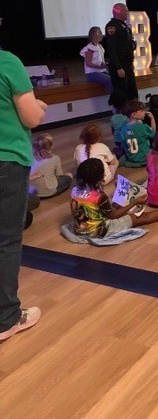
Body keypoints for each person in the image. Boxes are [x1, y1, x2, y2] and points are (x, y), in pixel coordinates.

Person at [0, 49, 47, 342]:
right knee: (6, 241)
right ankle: (6, 318)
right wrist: (39, 106)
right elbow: (30, 118)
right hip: (6, 162)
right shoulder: (6, 61)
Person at [70, 158, 158, 239]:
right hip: (99, 231)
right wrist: (135, 202)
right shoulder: (99, 196)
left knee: (117, 205)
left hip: (80, 229)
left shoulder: (74, 190)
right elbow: (112, 216)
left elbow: (84, 208)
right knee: (142, 217)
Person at [104, 2, 138, 100]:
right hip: (120, 65)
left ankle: (133, 113)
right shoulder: (112, 27)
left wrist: (131, 62)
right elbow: (112, 49)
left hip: (127, 64)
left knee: (132, 92)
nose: (127, 13)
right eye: (126, 10)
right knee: (122, 93)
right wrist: (118, 67)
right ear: (118, 11)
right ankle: (121, 114)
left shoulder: (124, 26)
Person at [29, 134, 73, 198]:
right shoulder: (55, 158)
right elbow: (59, 175)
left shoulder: (30, 158)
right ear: (51, 146)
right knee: (69, 175)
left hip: (32, 192)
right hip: (50, 192)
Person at [119, 100, 155, 167]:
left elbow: (123, 146)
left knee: (122, 156)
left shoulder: (123, 129)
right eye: (142, 111)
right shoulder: (143, 127)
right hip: (145, 158)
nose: (144, 112)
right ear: (134, 115)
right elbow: (153, 135)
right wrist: (152, 119)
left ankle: (130, 162)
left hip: (132, 158)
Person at [79, 26, 113, 92]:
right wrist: (100, 67)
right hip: (92, 73)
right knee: (109, 80)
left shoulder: (99, 46)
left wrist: (105, 65)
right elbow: (88, 63)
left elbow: (100, 61)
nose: (101, 35)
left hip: (99, 71)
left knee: (114, 76)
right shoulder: (90, 48)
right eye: (99, 33)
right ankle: (114, 97)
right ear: (93, 35)